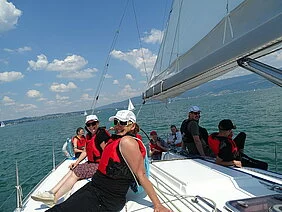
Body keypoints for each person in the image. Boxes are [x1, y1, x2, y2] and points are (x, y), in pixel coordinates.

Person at [47, 110, 172, 212]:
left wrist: (157, 205)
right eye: (116, 122)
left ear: (132, 125)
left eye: (122, 123)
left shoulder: (127, 142)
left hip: (105, 198)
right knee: (58, 208)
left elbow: (141, 175)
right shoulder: (116, 139)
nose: (118, 126)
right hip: (94, 188)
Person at [31, 114, 111, 207]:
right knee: (73, 169)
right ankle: (51, 192)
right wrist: (76, 162)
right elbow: (85, 151)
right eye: (88, 125)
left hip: (100, 164)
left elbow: (107, 153)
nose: (91, 126)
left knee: (76, 173)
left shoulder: (101, 135)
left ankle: (55, 198)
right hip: (92, 163)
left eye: (93, 123)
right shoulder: (89, 136)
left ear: (98, 123)